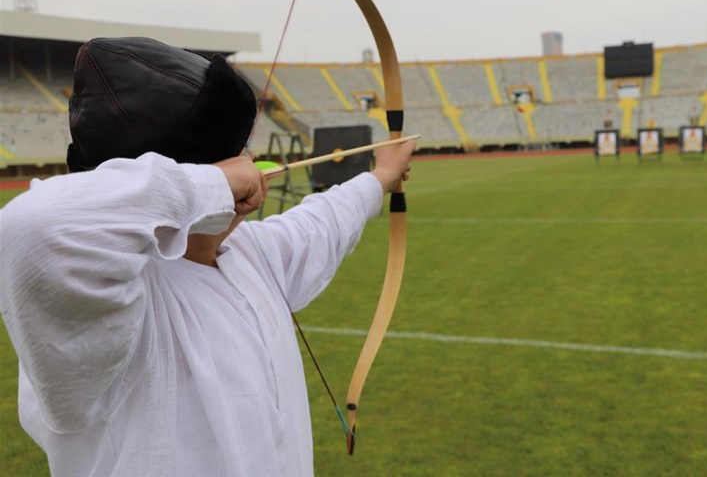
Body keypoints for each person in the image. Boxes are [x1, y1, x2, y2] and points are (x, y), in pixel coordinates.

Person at [0, 37, 415, 477]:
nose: (251, 160)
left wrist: (382, 176)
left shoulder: (252, 253)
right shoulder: (108, 309)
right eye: (239, 151)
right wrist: (211, 185)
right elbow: (33, 228)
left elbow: (324, 220)